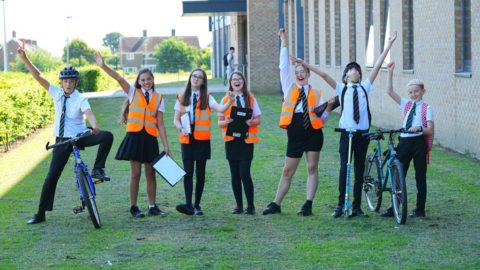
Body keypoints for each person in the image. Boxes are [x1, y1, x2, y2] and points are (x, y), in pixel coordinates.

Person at [297, 31, 398, 219]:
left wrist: (389, 46)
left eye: (358, 69)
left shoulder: (364, 87)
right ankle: (339, 205)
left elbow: (376, 66)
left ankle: (357, 206)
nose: (356, 70)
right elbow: (324, 74)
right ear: (345, 76)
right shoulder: (342, 88)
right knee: (345, 168)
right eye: (351, 69)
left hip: (362, 135)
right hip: (347, 134)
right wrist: (304, 63)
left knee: (359, 169)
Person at [18, 44, 113, 225]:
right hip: (62, 141)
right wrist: (24, 58)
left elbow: (89, 113)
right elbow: (38, 76)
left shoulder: (80, 98)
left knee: (107, 136)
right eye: (65, 81)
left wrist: (94, 126)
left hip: (79, 136)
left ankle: (98, 168)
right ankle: (40, 213)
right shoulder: (56, 92)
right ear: (61, 82)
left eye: (71, 81)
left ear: (76, 82)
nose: (68, 84)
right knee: (51, 176)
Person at [262, 29, 333, 217]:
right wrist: (284, 41)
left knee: (312, 167)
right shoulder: (289, 88)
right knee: (287, 170)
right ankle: (276, 203)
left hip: (313, 134)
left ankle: (308, 204)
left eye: (303, 72)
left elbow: (322, 119)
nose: (300, 74)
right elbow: (282, 66)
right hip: (295, 133)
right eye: (297, 72)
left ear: (308, 73)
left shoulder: (317, 93)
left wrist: (326, 110)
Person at [95, 53, 170, 218]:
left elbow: (161, 123)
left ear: (153, 80)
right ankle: (134, 206)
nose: (146, 82)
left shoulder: (159, 98)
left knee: (151, 173)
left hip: (150, 139)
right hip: (134, 138)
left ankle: (152, 206)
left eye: (148, 79)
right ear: (139, 81)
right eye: (143, 80)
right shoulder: (132, 93)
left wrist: (166, 145)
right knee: (135, 173)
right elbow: (119, 79)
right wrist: (103, 66)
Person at [173, 68, 235, 215]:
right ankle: (188, 204)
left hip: (202, 140)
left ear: (203, 82)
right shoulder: (182, 97)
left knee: (200, 173)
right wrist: (180, 127)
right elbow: (175, 119)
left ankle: (197, 205)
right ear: (190, 78)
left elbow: (220, 108)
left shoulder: (207, 97)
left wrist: (230, 101)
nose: (196, 79)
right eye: (194, 76)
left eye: (199, 77)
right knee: (188, 172)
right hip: (187, 138)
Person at [381, 61, 434, 218]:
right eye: (410, 92)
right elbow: (389, 91)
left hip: (418, 143)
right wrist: (390, 71)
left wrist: (419, 129)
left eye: (416, 91)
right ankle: (395, 207)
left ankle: (419, 209)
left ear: (423, 91)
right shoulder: (406, 104)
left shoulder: (427, 108)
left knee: (420, 176)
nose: (413, 94)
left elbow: (430, 130)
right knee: (398, 174)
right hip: (404, 142)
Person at [218, 71, 261, 215]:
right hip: (231, 141)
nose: (236, 81)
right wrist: (227, 121)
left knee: (245, 173)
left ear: (244, 81)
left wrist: (252, 122)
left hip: (246, 141)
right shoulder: (225, 100)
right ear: (230, 83)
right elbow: (219, 123)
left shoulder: (251, 98)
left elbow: (258, 119)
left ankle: (250, 206)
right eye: (233, 80)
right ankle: (238, 206)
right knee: (234, 174)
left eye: (239, 79)